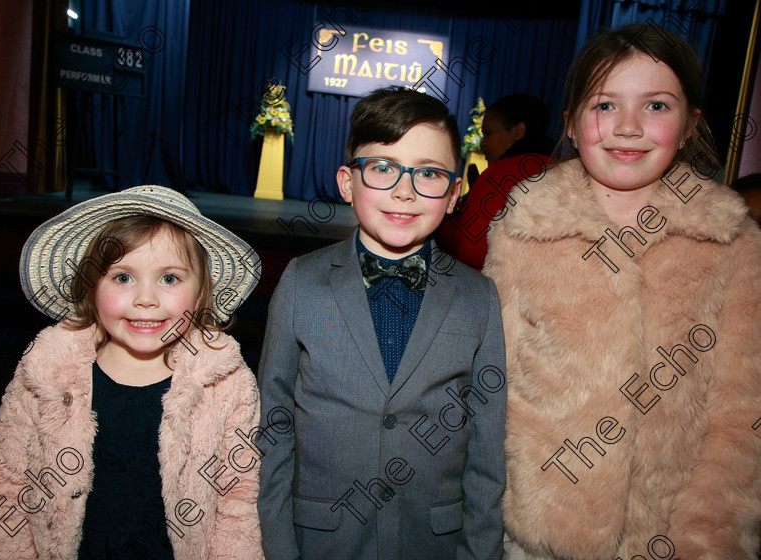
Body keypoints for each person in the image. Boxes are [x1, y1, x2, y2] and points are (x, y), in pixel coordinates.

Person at [485, 24, 761, 559]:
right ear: (571, 121)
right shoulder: (522, 229)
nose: (629, 128)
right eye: (605, 105)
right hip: (531, 539)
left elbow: (742, 415)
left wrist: (707, 537)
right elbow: (495, 387)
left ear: (689, 125)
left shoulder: (733, 242)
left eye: (657, 106)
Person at [257, 86, 506, 560]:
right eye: (383, 168)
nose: (404, 190)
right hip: (323, 538)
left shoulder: (480, 298)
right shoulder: (300, 282)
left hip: (431, 541)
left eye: (429, 173)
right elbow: (274, 425)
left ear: (454, 193)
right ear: (348, 182)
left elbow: (487, 449)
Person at [0, 186, 265, 559]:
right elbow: (6, 486)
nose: (146, 299)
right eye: (123, 278)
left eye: (170, 279)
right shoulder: (46, 370)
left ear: (200, 293)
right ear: (91, 286)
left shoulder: (227, 380)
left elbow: (236, 501)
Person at [436, 93, 555, 270]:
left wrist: (442, 223)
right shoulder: (560, 167)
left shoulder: (504, 171)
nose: (482, 143)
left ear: (518, 132)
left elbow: (469, 246)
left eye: (488, 133)